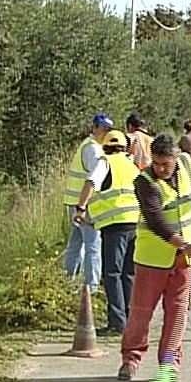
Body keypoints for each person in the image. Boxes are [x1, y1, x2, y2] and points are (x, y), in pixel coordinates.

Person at [118, 133, 191, 381]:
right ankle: (131, 359)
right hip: (151, 259)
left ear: (175, 159)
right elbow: (156, 221)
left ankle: (168, 366)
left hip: (183, 261)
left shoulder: (187, 163)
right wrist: (183, 244)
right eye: (156, 163)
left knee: (177, 313)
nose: (160, 169)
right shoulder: (144, 182)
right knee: (141, 313)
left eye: (165, 163)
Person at [74, 130, 140, 336]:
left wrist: (81, 208)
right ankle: (130, 320)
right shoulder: (132, 166)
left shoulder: (105, 163)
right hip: (135, 224)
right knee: (128, 274)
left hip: (115, 225)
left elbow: (91, 182)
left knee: (111, 274)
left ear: (105, 146)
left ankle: (117, 323)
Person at [63, 112, 114, 291]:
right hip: (85, 205)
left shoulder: (88, 145)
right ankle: (91, 287)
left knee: (75, 243)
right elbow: (94, 177)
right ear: (94, 128)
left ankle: (68, 281)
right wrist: (83, 206)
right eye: (103, 129)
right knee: (93, 244)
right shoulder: (93, 149)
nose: (106, 133)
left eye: (109, 130)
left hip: (75, 202)